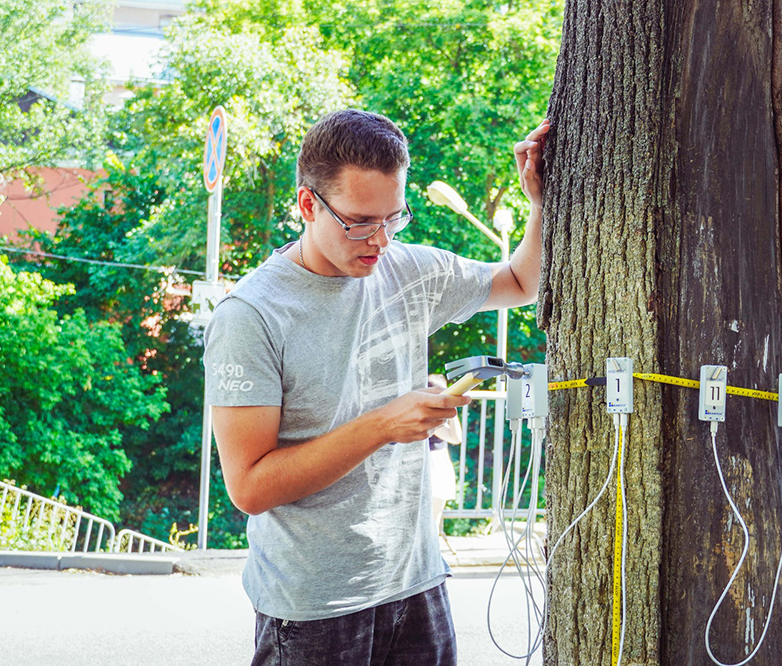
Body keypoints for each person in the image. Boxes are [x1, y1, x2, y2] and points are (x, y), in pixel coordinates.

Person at [204, 109, 548, 666]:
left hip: (415, 584)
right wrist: (384, 425)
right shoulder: (252, 315)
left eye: (394, 218)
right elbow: (249, 487)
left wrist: (537, 203)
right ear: (308, 204)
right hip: (313, 607)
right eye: (361, 222)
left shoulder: (408, 269)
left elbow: (520, 281)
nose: (381, 240)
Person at [426, 373, 462, 540]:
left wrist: (451, 411)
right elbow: (455, 438)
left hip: (437, 466)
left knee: (434, 521)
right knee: (432, 522)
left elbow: (456, 438)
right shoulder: (429, 419)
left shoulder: (438, 418)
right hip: (432, 467)